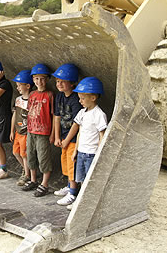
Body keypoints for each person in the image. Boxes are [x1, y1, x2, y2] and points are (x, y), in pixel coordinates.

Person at [64, 76, 107, 209]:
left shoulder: (99, 114)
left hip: (91, 154)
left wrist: (100, 153)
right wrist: (76, 150)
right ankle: (80, 201)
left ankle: (86, 203)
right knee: (81, 179)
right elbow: (80, 132)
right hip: (82, 152)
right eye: (79, 97)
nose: (80, 100)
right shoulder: (82, 112)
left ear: (93, 98)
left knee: (89, 180)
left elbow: (102, 135)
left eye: (83, 98)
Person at [52, 64, 83, 206]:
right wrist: (57, 137)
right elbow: (57, 117)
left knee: (72, 164)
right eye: (57, 81)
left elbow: (77, 124)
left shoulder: (76, 99)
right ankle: (69, 186)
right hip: (64, 137)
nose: (59, 84)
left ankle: (73, 193)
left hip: (73, 138)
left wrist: (67, 140)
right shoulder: (59, 96)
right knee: (65, 161)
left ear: (72, 83)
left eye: (62, 81)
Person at [22, 64, 55, 197]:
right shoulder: (32, 94)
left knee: (43, 158)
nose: (39, 82)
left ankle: (45, 184)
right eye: (36, 79)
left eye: (42, 79)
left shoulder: (50, 95)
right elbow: (29, 111)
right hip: (31, 130)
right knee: (31, 155)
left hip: (44, 132)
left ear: (47, 80)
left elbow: (54, 116)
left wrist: (53, 134)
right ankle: (33, 180)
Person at [10, 70, 33, 186]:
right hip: (18, 131)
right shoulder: (18, 100)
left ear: (28, 86)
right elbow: (15, 114)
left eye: (20, 85)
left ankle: (27, 175)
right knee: (16, 152)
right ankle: (26, 169)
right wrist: (11, 130)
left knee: (24, 154)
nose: (18, 88)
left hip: (26, 132)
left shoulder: (31, 100)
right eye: (17, 85)